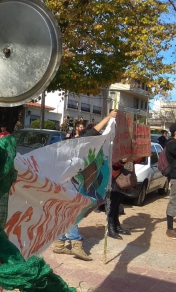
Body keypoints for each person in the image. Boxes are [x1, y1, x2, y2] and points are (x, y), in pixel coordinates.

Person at [52, 110, 117, 260]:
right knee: (72, 213)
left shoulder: (77, 145)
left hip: (69, 183)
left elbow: (93, 133)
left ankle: (59, 244)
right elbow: (93, 132)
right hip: (68, 184)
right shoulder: (74, 144)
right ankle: (76, 244)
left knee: (65, 213)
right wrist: (108, 117)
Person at [109, 156, 144, 239]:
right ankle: (110, 228)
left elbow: (135, 160)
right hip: (115, 179)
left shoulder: (129, 149)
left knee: (117, 204)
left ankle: (116, 226)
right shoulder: (114, 146)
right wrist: (121, 161)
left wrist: (142, 155)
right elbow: (111, 163)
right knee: (112, 206)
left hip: (124, 179)